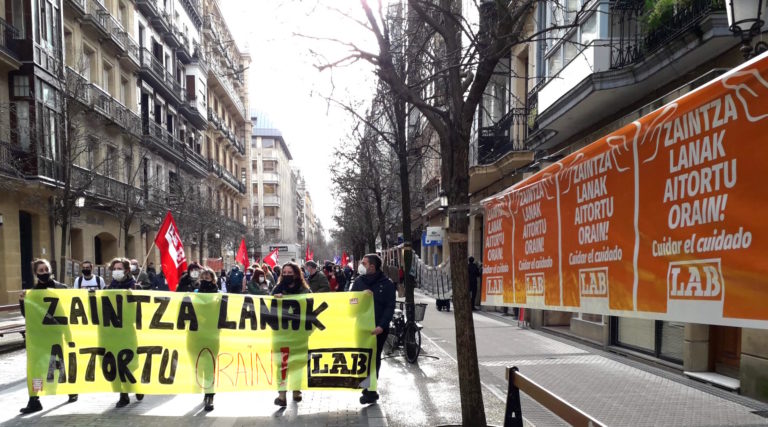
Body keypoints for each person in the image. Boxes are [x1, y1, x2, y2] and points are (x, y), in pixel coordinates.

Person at [19, 259, 78, 414]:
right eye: (41, 270)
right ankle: (34, 400)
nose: (45, 272)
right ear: (36, 273)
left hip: (57, 334)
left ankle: (71, 390)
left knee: (60, 365)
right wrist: (22, 302)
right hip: (39, 338)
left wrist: (68, 335)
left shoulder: (62, 288)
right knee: (36, 369)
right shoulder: (32, 292)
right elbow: (28, 316)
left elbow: (69, 313)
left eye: (47, 269)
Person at [351, 254, 396, 405]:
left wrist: (382, 326)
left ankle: (371, 391)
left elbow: (390, 307)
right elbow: (350, 303)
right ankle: (367, 387)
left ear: (372, 266)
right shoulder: (358, 282)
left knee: (374, 358)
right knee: (364, 358)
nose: (360, 265)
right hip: (361, 328)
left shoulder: (387, 284)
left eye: (363, 263)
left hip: (378, 329)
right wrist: (360, 297)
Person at [270, 262, 311, 407]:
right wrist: (275, 300)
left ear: (296, 274)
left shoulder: (305, 291)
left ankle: (296, 390)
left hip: (299, 334)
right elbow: (268, 310)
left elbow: (311, 311)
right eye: (284, 272)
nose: (287, 275)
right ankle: (281, 394)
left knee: (297, 363)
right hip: (281, 334)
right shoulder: (277, 289)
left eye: (290, 272)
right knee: (282, 364)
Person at [106, 258, 143, 407]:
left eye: (119, 268)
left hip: (129, 330)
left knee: (130, 362)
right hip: (113, 332)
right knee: (118, 363)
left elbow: (141, 309)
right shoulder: (110, 288)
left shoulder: (135, 286)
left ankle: (137, 385)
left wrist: (134, 295)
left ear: (127, 270)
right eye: (114, 268)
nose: (116, 271)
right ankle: (124, 395)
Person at [196, 267, 219, 411]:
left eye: (208, 278)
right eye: (202, 278)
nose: (205, 281)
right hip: (196, 334)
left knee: (209, 365)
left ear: (213, 279)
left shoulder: (218, 295)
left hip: (212, 334)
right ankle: (205, 390)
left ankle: (210, 394)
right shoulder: (194, 293)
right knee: (199, 365)